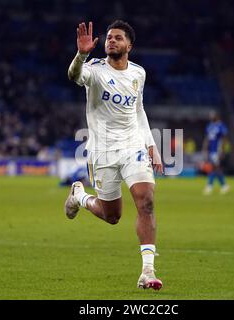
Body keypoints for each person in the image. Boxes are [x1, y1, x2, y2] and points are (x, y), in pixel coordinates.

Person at [65, 20, 164, 290]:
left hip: (133, 146)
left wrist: (151, 144)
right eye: (109, 37)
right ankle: (79, 196)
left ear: (129, 45)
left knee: (146, 202)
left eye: (118, 38)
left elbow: (139, 110)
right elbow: (74, 76)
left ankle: (148, 271)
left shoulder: (138, 73)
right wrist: (82, 54)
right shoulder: (95, 70)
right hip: (103, 150)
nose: (111, 41)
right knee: (112, 216)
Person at [202, 111, 230, 195]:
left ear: (217, 116)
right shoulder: (209, 126)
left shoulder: (221, 126)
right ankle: (224, 185)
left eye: (212, 115)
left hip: (217, 150)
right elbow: (207, 138)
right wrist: (205, 148)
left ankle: (210, 185)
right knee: (216, 168)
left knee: (214, 167)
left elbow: (224, 139)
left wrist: (223, 150)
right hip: (211, 150)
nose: (211, 117)